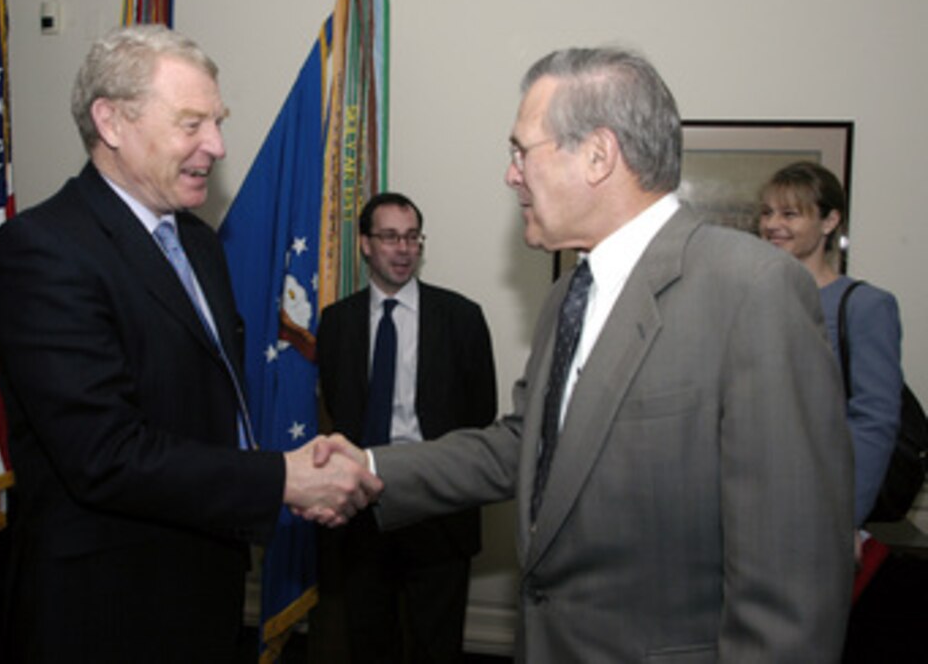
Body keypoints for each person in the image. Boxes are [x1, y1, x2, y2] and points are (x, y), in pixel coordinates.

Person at [314, 47, 855, 661]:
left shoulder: (752, 290)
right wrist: (368, 465)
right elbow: (529, 446)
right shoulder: (569, 296)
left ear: (598, 155)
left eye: (522, 151)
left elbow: (792, 587)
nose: (511, 174)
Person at [0, 24, 381, 663]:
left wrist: (289, 466)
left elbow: (211, 409)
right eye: (191, 124)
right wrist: (278, 480)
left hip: (203, 591)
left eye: (218, 122)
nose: (218, 146)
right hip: (105, 614)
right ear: (110, 122)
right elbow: (105, 454)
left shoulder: (198, 243)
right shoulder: (45, 249)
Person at [314, 192, 497, 663]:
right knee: (369, 637)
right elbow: (338, 406)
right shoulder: (336, 323)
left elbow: (481, 415)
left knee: (437, 643)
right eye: (390, 237)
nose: (403, 248)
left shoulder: (462, 318)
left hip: (438, 504)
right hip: (362, 504)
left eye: (412, 237)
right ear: (365, 245)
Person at [758, 160, 902, 530]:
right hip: (751, 501)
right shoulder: (749, 301)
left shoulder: (865, 306)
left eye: (790, 214)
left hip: (819, 507)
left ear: (829, 221)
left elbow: (874, 422)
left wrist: (844, 521)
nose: (773, 225)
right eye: (767, 212)